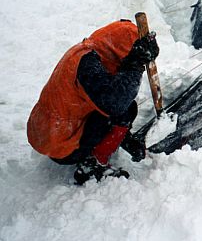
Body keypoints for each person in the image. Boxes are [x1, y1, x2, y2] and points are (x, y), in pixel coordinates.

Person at [27, 19, 159, 185]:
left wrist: (124, 138)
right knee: (126, 109)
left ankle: (99, 143)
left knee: (115, 98)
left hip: (47, 131)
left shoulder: (88, 53)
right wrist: (135, 63)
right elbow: (115, 104)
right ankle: (92, 164)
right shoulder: (88, 66)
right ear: (118, 50)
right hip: (60, 146)